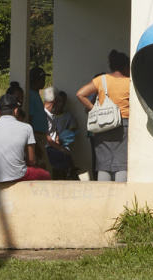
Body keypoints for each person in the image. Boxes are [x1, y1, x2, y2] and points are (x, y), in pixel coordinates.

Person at [77, 50, 131, 182]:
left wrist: (94, 109)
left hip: (103, 124)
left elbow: (80, 94)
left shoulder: (101, 80)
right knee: (121, 163)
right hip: (124, 124)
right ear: (125, 67)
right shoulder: (129, 82)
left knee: (104, 164)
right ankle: (120, 198)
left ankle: (103, 197)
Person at [0, 93, 49, 183]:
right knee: (46, 174)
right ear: (16, 111)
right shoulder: (26, 128)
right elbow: (31, 160)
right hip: (17, 175)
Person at [44, 88, 79, 179]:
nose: (61, 104)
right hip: (48, 147)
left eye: (63, 102)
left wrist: (58, 140)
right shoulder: (45, 114)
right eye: (58, 101)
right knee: (64, 155)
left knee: (64, 156)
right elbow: (45, 136)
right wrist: (58, 147)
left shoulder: (52, 115)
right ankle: (71, 175)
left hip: (55, 145)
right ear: (54, 101)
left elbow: (55, 131)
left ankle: (69, 175)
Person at [25, 68, 53, 176]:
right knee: (45, 169)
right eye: (43, 79)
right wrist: (34, 143)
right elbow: (30, 120)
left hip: (40, 136)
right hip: (36, 136)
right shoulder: (31, 95)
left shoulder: (35, 94)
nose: (44, 81)